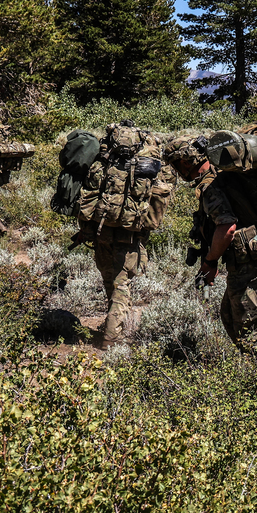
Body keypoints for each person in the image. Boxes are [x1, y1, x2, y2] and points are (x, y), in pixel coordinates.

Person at [163, 133, 257, 356]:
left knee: (250, 326)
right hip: (252, 251)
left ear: (185, 162)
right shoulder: (222, 173)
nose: (176, 170)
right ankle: (252, 366)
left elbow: (227, 227)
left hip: (248, 259)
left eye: (176, 164)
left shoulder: (211, 185)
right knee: (229, 314)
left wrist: (210, 262)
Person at [74, 121, 176, 350]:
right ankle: (111, 339)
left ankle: (111, 326)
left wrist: (85, 230)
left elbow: (89, 196)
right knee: (122, 284)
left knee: (108, 279)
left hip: (102, 229)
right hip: (131, 235)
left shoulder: (105, 159)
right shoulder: (150, 162)